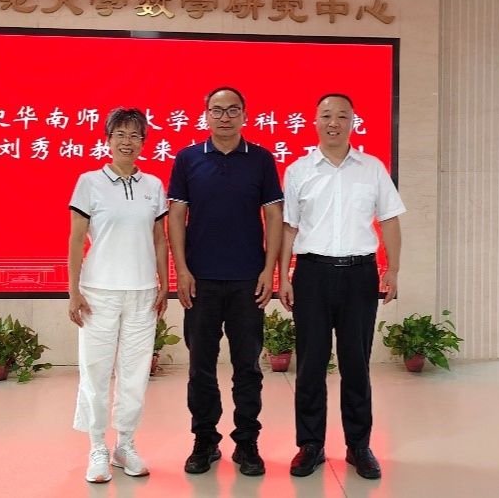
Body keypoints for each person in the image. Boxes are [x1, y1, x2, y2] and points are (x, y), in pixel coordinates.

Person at [279, 93, 405, 480]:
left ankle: (359, 445)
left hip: (359, 276)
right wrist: (283, 275)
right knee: (311, 364)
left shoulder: (372, 169)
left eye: (342, 116)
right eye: (326, 116)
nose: (334, 122)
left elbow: (390, 220)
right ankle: (310, 445)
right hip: (312, 275)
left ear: (353, 122)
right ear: (315, 121)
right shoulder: (299, 170)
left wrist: (393, 269)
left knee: (356, 364)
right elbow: (289, 227)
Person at [168, 86, 283, 476]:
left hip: (247, 280)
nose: (225, 117)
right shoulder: (187, 159)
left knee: (247, 366)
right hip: (200, 281)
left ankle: (247, 442)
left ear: (245, 115)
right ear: (205, 115)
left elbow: (273, 217)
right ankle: (204, 440)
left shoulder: (261, 159)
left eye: (233, 110)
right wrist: (182, 270)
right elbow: (176, 217)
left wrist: (269, 270)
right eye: (217, 110)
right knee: (200, 367)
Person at [67, 107, 170, 483]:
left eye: (135, 135)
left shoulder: (153, 186)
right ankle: (97, 445)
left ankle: (125, 444)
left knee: (134, 373)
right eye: (120, 134)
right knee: (95, 371)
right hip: (98, 293)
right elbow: (76, 239)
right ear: (108, 140)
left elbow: (159, 239)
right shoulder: (89, 182)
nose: (128, 142)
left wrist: (164, 284)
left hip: (143, 293)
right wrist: (73, 290)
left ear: (144, 142)